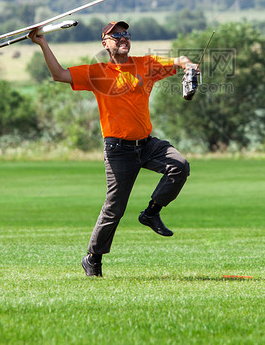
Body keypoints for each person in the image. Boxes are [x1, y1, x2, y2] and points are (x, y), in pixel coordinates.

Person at [30, 20, 196, 277]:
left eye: (126, 34)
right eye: (116, 36)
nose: (123, 38)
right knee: (115, 207)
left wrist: (189, 67)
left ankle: (151, 213)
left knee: (179, 166)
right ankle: (93, 258)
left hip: (148, 144)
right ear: (105, 43)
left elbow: (180, 60)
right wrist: (42, 43)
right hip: (118, 149)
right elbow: (59, 74)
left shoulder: (145, 65)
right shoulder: (97, 72)